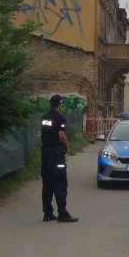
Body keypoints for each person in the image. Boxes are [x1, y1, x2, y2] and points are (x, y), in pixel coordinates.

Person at [41, 94, 78, 222]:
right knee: (60, 182)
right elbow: (61, 135)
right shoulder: (58, 118)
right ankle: (62, 213)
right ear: (60, 104)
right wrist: (66, 146)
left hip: (45, 152)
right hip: (56, 153)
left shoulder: (45, 117)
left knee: (47, 184)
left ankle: (47, 213)